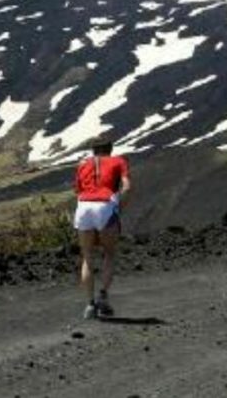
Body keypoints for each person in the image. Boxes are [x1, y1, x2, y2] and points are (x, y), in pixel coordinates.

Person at [73, 136, 131, 320]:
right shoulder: (118, 161)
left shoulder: (83, 165)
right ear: (110, 148)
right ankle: (103, 297)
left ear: (93, 150)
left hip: (83, 207)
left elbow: (78, 190)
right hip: (105, 205)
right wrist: (118, 208)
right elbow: (127, 186)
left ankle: (90, 305)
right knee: (109, 253)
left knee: (87, 257)